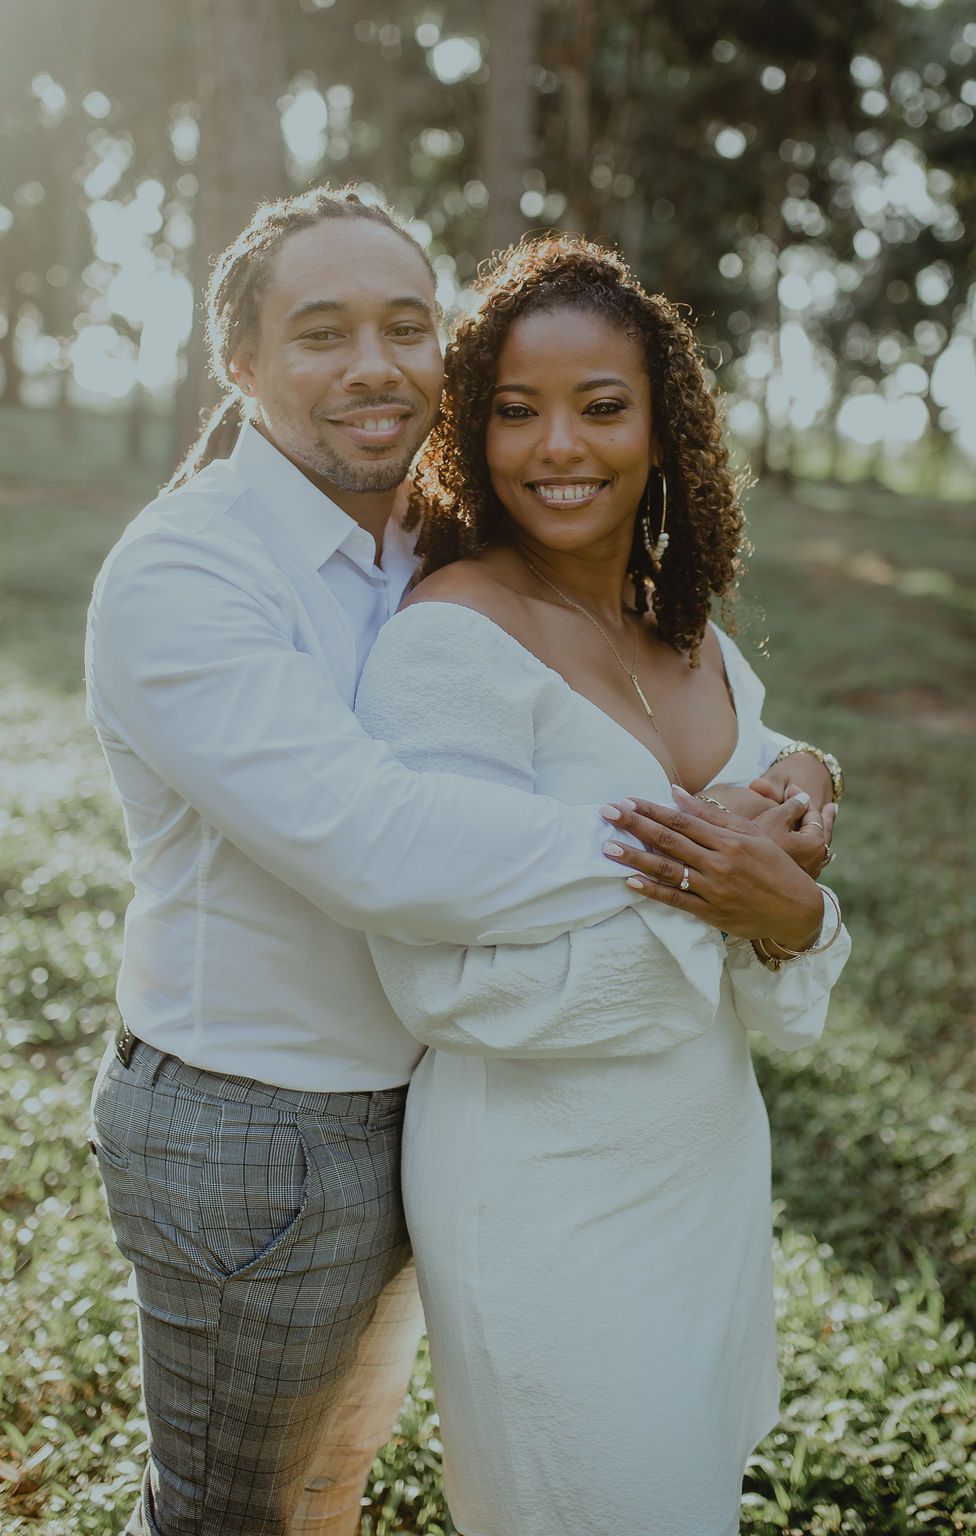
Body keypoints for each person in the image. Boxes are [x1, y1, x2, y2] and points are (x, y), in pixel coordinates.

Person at [86, 188, 838, 1536]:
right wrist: (698, 854)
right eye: (322, 332)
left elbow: (661, 710)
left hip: (416, 1105)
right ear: (241, 366)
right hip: (261, 1116)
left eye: (406, 326)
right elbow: (378, 848)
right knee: (226, 1516)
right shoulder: (191, 572)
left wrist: (791, 781)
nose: (374, 365)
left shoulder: (416, 541)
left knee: (331, 1488)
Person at [355, 233, 851, 1536]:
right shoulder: (449, 646)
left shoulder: (690, 632)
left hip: (700, 1166)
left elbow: (777, 857)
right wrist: (729, 900)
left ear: (663, 427)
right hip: (541, 1190)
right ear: (470, 430)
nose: (557, 446)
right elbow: (442, 978)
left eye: (601, 406)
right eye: (515, 410)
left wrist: (792, 908)